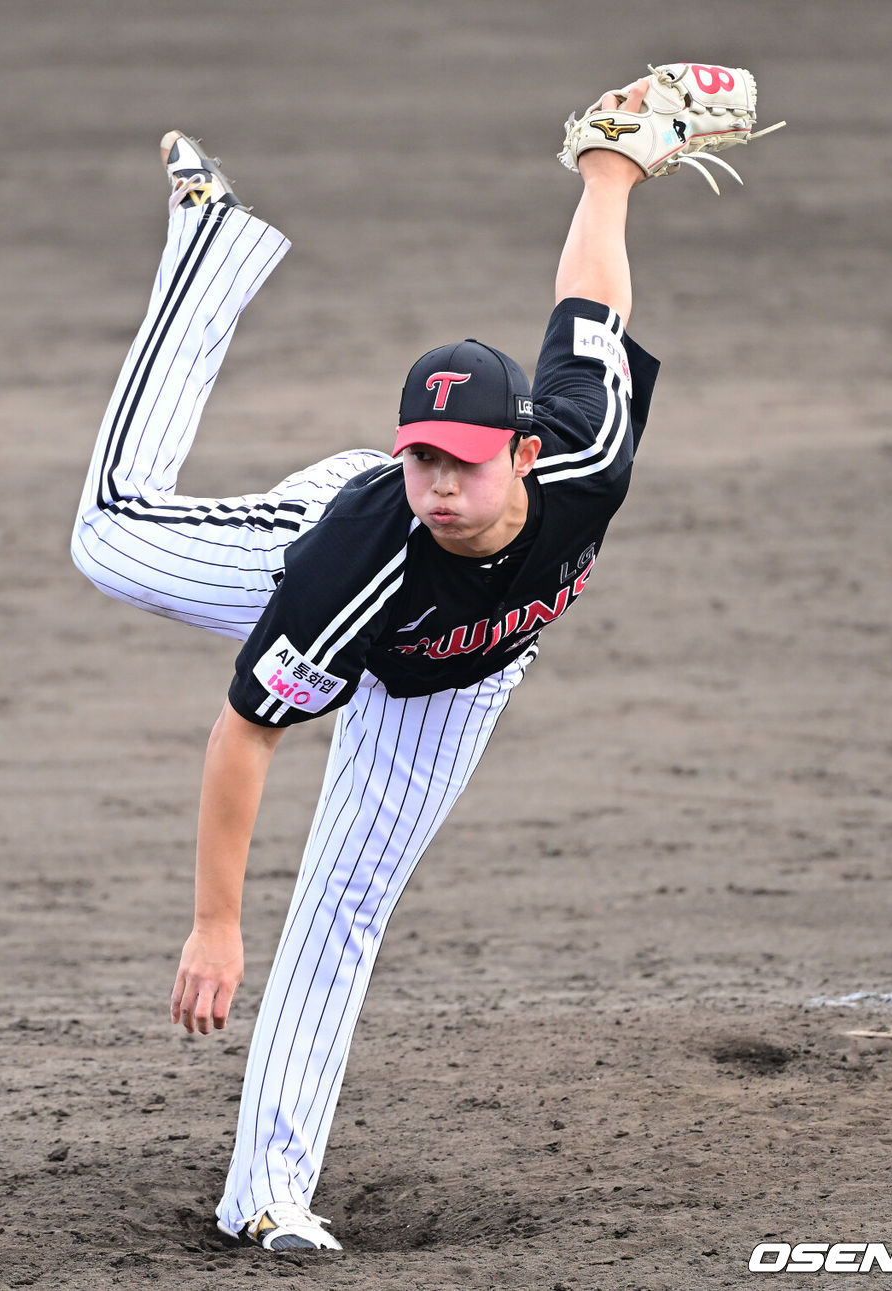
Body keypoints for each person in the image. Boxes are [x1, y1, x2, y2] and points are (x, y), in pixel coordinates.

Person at [73, 77, 662, 1254]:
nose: (439, 482)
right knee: (106, 539)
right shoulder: (364, 554)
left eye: (462, 461)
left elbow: (588, 300)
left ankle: (267, 1196)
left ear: (523, 453)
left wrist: (612, 167)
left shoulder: (585, 451)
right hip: (324, 562)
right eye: (421, 457)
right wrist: (215, 923)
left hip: (457, 673)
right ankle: (207, 252)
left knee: (346, 902)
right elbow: (247, 726)